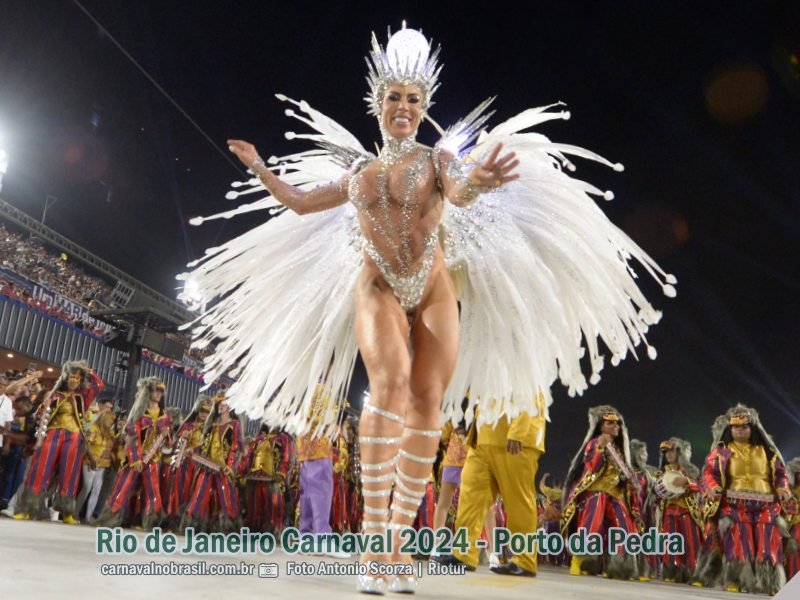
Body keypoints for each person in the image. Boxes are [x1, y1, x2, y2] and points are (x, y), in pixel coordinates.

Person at [186, 24, 675, 595]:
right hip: (378, 285)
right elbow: (298, 204)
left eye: (413, 100)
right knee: (389, 387)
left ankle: (397, 543)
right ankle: (374, 541)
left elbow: (461, 188)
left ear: (423, 108)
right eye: (394, 97)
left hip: (434, 288)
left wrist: (483, 183)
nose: (403, 108)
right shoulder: (358, 175)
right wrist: (261, 169)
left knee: (426, 406)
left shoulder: (438, 159)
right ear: (378, 103)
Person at [435, 395, 546, 577]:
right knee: (470, 497)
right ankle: (463, 554)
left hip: (515, 441)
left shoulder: (521, 365)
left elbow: (531, 390)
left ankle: (524, 560)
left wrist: (518, 431)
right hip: (481, 440)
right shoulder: (484, 367)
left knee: (518, 502)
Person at [691, 405, 792, 595]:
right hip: (735, 506)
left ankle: (771, 584)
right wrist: (714, 488)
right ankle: (735, 580)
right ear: (730, 429)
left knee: (767, 544)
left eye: (745, 427)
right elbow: (708, 474)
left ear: (752, 428)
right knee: (739, 544)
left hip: (766, 505)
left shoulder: (767, 451)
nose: (740, 430)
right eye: (736, 427)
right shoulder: (722, 451)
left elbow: (781, 473)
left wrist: (783, 488)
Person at [14, 361, 103, 523]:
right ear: (65, 378)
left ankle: (67, 512)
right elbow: (41, 415)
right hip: (53, 434)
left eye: (77, 377)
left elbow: (98, 385)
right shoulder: (55, 395)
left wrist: (87, 370)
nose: (73, 380)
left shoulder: (82, 397)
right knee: (40, 470)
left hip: (74, 437)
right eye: (71, 377)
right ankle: (28, 508)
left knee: (70, 474)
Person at [561, 406, 642, 579]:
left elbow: (624, 476)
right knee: (590, 527)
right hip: (595, 492)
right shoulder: (595, 443)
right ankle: (579, 561)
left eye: (617, 423)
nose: (615, 426)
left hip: (615, 494)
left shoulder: (619, 450)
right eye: (610, 423)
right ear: (601, 426)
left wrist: (631, 485)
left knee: (624, 527)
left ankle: (620, 567)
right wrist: (599, 449)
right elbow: (592, 467)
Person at [98, 378, 171, 530]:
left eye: (160, 391)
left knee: (153, 493)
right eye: (155, 390)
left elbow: (168, 444)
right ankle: (110, 519)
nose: (158, 394)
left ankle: (151, 523)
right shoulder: (138, 414)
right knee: (122, 489)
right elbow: (132, 437)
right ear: (148, 392)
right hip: (134, 460)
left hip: (153, 459)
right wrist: (135, 459)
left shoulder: (165, 416)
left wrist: (167, 435)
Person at [180, 395, 243, 534]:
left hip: (223, 469)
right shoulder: (211, 424)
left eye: (224, 403)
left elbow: (235, 447)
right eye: (219, 403)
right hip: (206, 465)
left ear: (230, 407)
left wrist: (230, 466)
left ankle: (230, 529)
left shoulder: (235, 425)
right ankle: (191, 525)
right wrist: (193, 449)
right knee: (198, 495)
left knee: (227, 499)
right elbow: (204, 445)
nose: (221, 405)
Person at [653, 437, 704, 583]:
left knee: (691, 542)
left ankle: (695, 573)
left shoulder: (690, 471)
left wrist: (687, 482)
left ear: (680, 453)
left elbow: (702, 486)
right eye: (666, 451)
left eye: (672, 451)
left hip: (687, 511)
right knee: (670, 542)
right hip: (668, 511)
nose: (668, 454)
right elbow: (656, 494)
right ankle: (671, 572)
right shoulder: (662, 473)